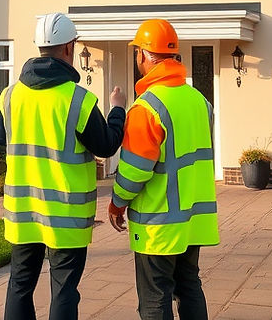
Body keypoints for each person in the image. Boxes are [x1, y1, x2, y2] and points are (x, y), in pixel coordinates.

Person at [0, 12, 127, 320]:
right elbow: (106, 145)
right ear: (68, 48)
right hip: (66, 213)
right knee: (64, 288)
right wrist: (118, 110)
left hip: (23, 210)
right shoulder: (78, 99)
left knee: (20, 284)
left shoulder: (10, 96)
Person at [108, 19, 219, 320]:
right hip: (193, 219)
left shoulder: (146, 108)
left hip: (158, 224)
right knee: (190, 286)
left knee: (155, 298)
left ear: (144, 55)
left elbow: (135, 171)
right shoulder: (200, 101)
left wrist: (117, 203)